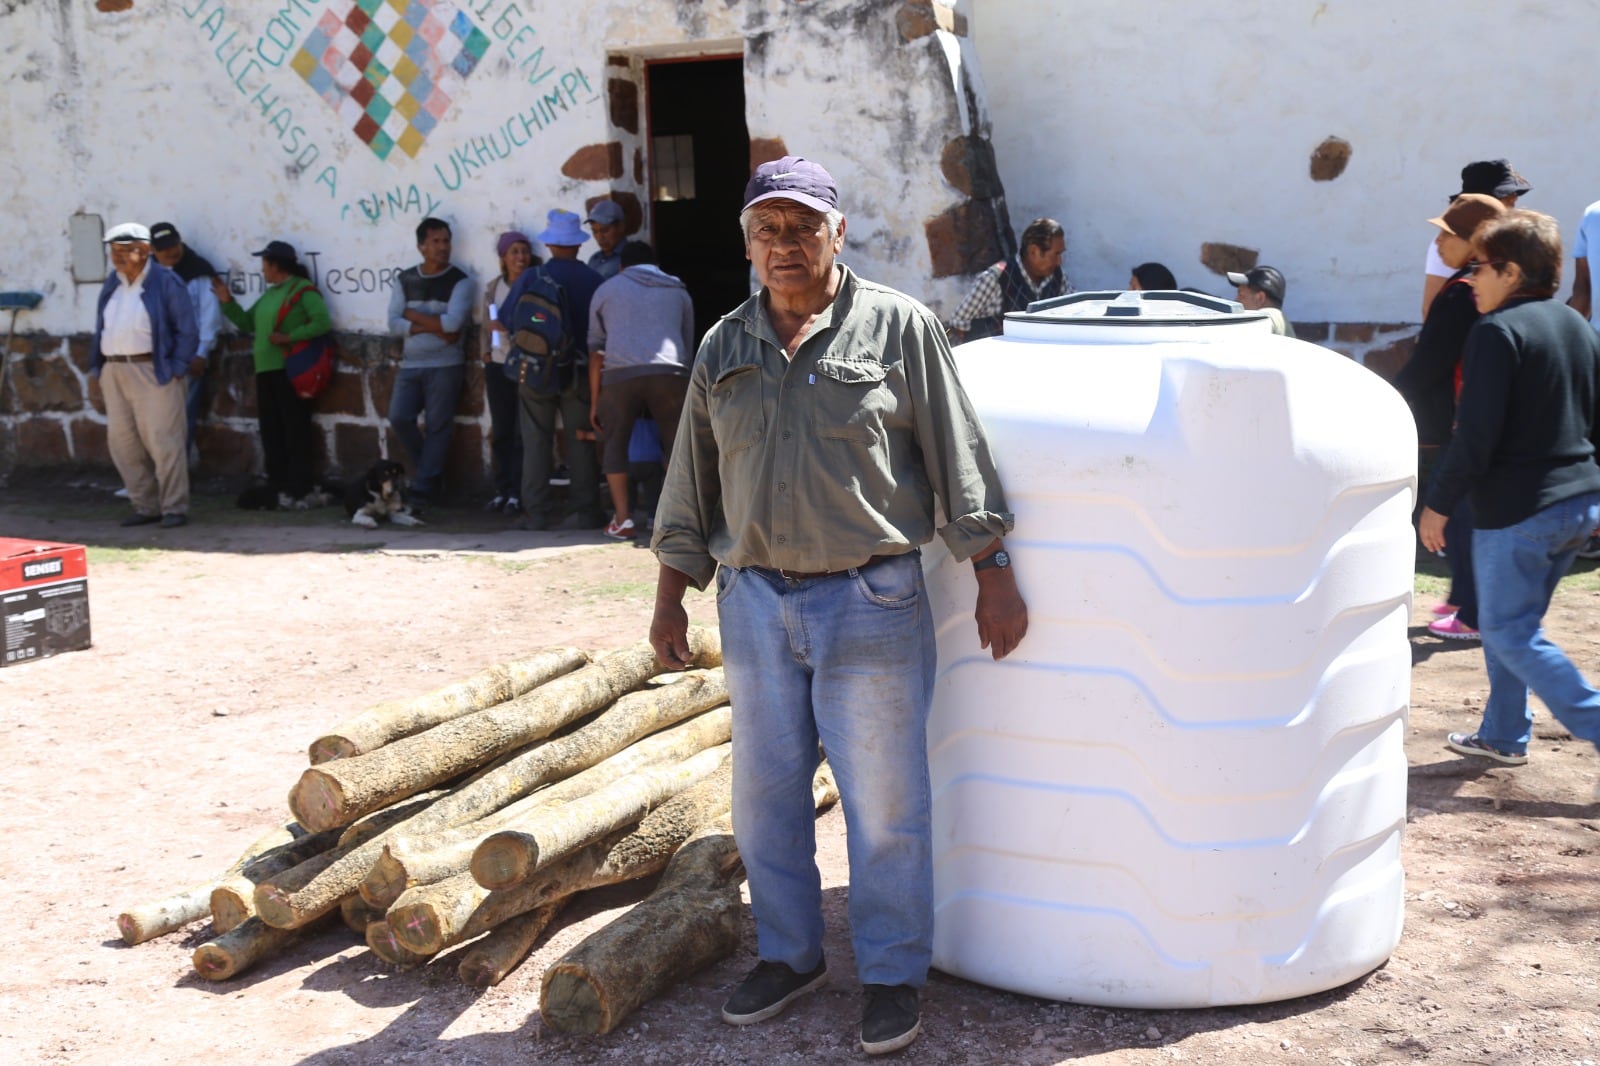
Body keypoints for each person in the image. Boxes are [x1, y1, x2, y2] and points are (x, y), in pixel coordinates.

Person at [649, 156, 1029, 1056]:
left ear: (837, 232)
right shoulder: (724, 344)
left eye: (801, 227)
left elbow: (955, 452)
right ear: (748, 243)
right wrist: (671, 596)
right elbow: (689, 483)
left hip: (871, 598)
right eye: (766, 231)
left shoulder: (898, 328)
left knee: (886, 802)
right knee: (765, 798)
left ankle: (894, 974)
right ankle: (791, 955)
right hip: (751, 601)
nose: (783, 246)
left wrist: (993, 568)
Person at [1417, 210, 1600, 796]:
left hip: (1520, 513)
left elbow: (1475, 435)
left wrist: (1436, 503)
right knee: (1508, 625)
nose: (1472, 280)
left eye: (1483, 268)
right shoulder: (1577, 327)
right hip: (1578, 504)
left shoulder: (1496, 332)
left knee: (1510, 631)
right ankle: (1503, 733)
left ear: (1513, 271)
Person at [1394, 193, 1508, 642]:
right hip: (1474, 415)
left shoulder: (1465, 292)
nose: (1438, 243)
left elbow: (1430, 360)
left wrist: (1392, 397)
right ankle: (1465, 598)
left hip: (1462, 418)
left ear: (1476, 240)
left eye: (1448, 234)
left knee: (1459, 508)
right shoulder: (1487, 286)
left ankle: (1473, 610)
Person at [500, 209, 606, 530]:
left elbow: (507, 318)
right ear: (578, 245)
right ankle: (586, 511)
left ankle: (535, 513)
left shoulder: (532, 278)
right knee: (580, 439)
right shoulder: (593, 280)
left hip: (534, 370)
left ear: (549, 245)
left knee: (535, 439)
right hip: (578, 370)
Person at [91, 222, 198, 528]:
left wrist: (177, 369)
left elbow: (187, 331)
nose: (118, 258)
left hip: (154, 370)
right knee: (123, 442)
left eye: (125, 251)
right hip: (115, 368)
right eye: (114, 252)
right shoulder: (113, 283)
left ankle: (174, 507)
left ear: (145, 250)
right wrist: (97, 368)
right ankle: (145, 505)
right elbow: (101, 326)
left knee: (164, 440)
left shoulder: (166, 282)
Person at [588, 241, 694, 541]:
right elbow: (686, 342)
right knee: (677, 447)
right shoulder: (678, 290)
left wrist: (595, 401)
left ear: (622, 266)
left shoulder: (606, 290)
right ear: (655, 264)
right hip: (670, 373)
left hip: (619, 375)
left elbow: (596, 349)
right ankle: (679, 522)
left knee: (615, 444)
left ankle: (623, 520)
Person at [211, 240, 331, 506]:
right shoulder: (270, 294)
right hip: (266, 370)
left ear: (276, 265)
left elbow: (322, 322)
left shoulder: (303, 291)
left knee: (294, 428)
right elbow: (246, 322)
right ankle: (278, 485)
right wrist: (227, 302)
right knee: (271, 430)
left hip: (290, 370)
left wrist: (289, 337)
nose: (262, 270)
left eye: (264, 264)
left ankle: (300, 484)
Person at [387, 217, 473, 509]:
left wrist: (413, 316)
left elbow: (453, 323)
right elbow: (392, 323)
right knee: (399, 417)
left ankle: (424, 487)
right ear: (421, 246)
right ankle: (431, 473)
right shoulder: (406, 279)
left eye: (446, 241)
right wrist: (433, 326)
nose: (443, 247)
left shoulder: (460, 281)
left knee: (438, 425)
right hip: (410, 364)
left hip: (445, 364)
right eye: (435, 241)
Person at [148, 221, 221, 467]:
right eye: (165, 248)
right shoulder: (147, 276)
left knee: (181, 418)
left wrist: (202, 353)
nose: (172, 252)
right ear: (153, 251)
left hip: (189, 357)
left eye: (174, 245)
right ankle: (154, 474)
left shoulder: (197, 271)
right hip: (155, 357)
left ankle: (175, 472)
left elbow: (209, 315)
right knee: (152, 418)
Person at [1422, 160, 1531, 318]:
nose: (1513, 201)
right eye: (1506, 196)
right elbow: (1430, 310)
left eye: (1513, 197)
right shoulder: (1449, 245)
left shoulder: (1516, 240)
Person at [945, 217, 1068, 342]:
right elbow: (958, 323)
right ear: (1033, 251)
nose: (1059, 261)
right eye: (1056, 254)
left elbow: (1076, 311)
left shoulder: (1057, 277)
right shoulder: (995, 279)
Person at [481, 230, 534, 513]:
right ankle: (502, 488)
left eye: (524, 251)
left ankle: (518, 491)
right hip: (498, 366)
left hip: (524, 365)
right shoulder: (493, 288)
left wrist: (511, 331)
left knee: (520, 433)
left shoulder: (532, 286)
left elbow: (536, 321)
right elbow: (484, 324)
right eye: (514, 252)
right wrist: (485, 352)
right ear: (503, 258)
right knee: (501, 430)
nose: (520, 257)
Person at [1227, 265, 1296, 337]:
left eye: (1241, 295)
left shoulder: (1265, 318)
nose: (1236, 300)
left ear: (1260, 298)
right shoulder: (1279, 319)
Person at [584, 199, 630, 279]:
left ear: (620, 227)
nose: (599, 238)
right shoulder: (594, 259)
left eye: (604, 231)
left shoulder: (631, 258)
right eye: (594, 231)